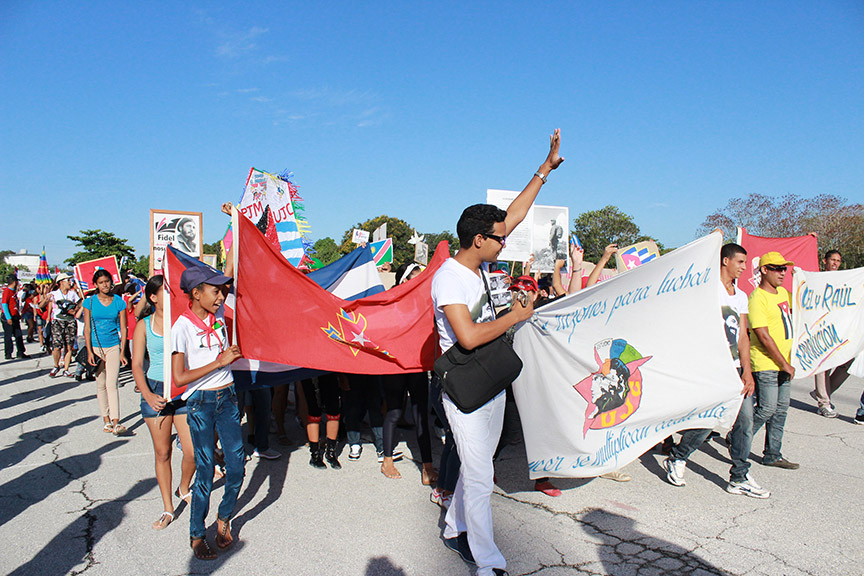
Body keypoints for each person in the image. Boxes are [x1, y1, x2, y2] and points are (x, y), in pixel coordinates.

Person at [431, 128, 562, 576]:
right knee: (482, 476)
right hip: (465, 383)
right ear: (478, 240)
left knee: (479, 465)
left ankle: (453, 526)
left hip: (491, 380)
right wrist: (516, 317)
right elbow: (466, 337)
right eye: (499, 238)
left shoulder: (482, 264)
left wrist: (544, 170)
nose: (506, 241)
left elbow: (515, 216)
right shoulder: (450, 277)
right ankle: (488, 561)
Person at [660, 242, 769, 497]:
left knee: (744, 421)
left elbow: (743, 335)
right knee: (708, 420)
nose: (744, 267)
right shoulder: (707, 291)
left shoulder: (740, 296)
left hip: (734, 368)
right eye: (740, 262)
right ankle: (677, 456)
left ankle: (739, 477)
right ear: (725, 261)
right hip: (711, 368)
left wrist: (747, 371)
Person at [172, 265, 244, 560]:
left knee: (237, 466)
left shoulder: (217, 317)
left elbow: (229, 270)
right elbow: (179, 378)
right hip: (201, 403)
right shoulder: (182, 327)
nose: (220, 296)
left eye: (221, 291)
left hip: (228, 396)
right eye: (215, 291)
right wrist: (218, 362)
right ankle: (197, 533)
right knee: (204, 471)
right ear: (196, 293)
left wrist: (235, 221)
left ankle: (224, 517)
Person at [131, 275, 195, 529]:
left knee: (191, 451)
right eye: (164, 293)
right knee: (163, 452)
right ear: (153, 297)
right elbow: (137, 364)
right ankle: (168, 508)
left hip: (181, 391)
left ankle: (183, 487)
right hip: (155, 390)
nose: (170, 297)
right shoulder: (143, 325)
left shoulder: (182, 322)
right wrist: (147, 394)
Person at [380, 262, 436, 483]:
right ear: (404, 280)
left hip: (417, 365)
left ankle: (427, 466)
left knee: (421, 412)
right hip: (394, 365)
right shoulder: (389, 299)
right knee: (394, 412)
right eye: (416, 279)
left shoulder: (423, 302)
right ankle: (387, 460)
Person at [749, 251, 798, 470]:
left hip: (785, 362)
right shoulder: (757, 298)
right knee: (767, 409)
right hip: (766, 363)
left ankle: (772, 454)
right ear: (764, 270)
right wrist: (783, 364)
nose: (782, 272)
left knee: (780, 411)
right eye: (777, 268)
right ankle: (738, 436)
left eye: (784, 268)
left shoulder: (785, 294)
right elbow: (763, 336)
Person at [82, 269, 129, 435]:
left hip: (113, 346)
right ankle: (106, 420)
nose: (105, 285)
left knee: (112, 383)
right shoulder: (89, 303)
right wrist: (88, 350)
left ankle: (116, 421)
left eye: (107, 281)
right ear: (96, 285)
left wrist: (123, 351)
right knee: (100, 384)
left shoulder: (119, 302)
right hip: (95, 348)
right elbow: (86, 328)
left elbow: (123, 328)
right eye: (101, 282)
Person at [810, 250, 852, 418]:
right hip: (821, 329)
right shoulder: (816, 279)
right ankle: (824, 402)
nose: (835, 263)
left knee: (848, 363)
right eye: (833, 260)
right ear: (824, 261)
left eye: (838, 261)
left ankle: (822, 393)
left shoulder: (844, 280)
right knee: (823, 367)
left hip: (840, 329)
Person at [44, 273, 82, 377]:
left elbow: (80, 303)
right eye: (68, 280)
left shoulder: (73, 294)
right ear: (61, 282)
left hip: (70, 321)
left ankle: (66, 368)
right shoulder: (54, 294)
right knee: (57, 346)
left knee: (69, 346)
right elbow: (41, 305)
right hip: (58, 321)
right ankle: (56, 365)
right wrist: (46, 299)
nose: (70, 282)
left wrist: (75, 309)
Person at [2, 275, 28, 360]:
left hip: (15, 316)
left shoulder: (13, 292)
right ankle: (8, 353)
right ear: (14, 282)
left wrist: (18, 314)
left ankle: (21, 352)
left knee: (18, 335)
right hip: (9, 316)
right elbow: (4, 305)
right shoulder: (7, 291)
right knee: (8, 335)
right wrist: (8, 317)